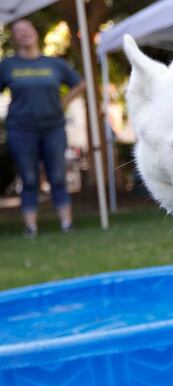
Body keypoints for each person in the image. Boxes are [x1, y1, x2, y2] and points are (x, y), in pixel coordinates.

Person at [0, 19, 84, 238]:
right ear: (14, 38)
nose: (23, 33)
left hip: (53, 128)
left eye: (27, 28)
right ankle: (31, 227)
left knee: (57, 176)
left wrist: (64, 102)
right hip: (21, 130)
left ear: (35, 32)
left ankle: (67, 224)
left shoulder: (54, 64)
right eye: (18, 31)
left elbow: (79, 84)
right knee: (28, 179)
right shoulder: (8, 66)